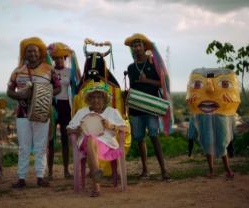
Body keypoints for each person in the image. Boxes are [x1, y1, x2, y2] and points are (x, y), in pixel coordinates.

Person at [7, 37, 61, 188]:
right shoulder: (17, 71)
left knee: (41, 146)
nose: (32, 54)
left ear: (40, 53)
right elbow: (9, 91)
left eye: (35, 51)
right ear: (24, 54)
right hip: (22, 114)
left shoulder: (49, 69)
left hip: (42, 112)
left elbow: (58, 88)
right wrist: (20, 95)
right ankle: (21, 178)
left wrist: (43, 94)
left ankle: (40, 176)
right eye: (29, 51)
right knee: (23, 147)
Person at [67, 82, 129, 197]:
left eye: (99, 97)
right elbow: (69, 130)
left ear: (105, 99)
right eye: (93, 97)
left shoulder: (112, 112)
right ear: (89, 99)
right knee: (90, 137)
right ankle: (96, 183)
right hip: (86, 144)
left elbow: (125, 128)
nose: (96, 100)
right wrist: (79, 129)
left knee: (92, 139)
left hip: (106, 144)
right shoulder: (82, 112)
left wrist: (111, 126)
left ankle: (95, 179)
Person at [124, 33, 171, 180]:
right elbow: (133, 86)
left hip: (151, 107)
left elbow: (162, 84)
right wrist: (127, 94)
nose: (136, 48)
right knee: (139, 139)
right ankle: (145, 170)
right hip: (136, 108)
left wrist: (146, 80)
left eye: (139, 45)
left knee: (154, 136)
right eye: (134, 46)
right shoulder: (131, 67)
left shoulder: (153, 64)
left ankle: (164, 170)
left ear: (144, 47)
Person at [186, 68, 240, 178]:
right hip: (204, 116)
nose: (210, 90)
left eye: (224, 83)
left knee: (221, 142)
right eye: (197, 84)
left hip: (220, 116)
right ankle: (211, 170)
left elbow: (235, 97)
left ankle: (227, 169)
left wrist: (230, 98)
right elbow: (189, 97)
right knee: (208, 142)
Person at [47, 42, 81, 179]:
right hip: (52, 106)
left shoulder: (69, 72)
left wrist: (75, 58)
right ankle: (49, 172)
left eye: (62, 57)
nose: (59, 60)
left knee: (66, 140)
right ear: (53, 58)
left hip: (66, 106)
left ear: (65, 58)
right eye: (56, 58)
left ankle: (66, 170)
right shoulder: (49, 71)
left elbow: (77, 86)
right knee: (50, 140)